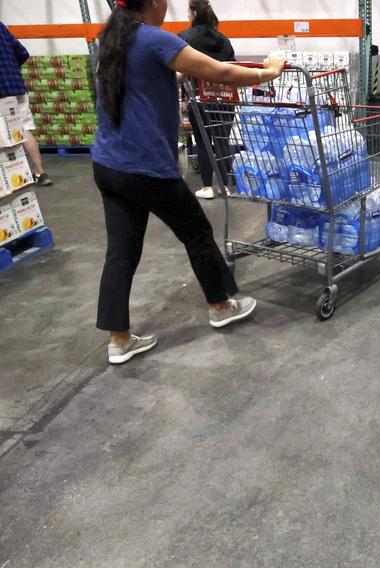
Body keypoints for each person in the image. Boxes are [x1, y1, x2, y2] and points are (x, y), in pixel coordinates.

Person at [92, 0, 284, 364]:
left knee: (121, 250)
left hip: (108, 165)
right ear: (151, 3)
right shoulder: (154, 39)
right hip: (145, 167)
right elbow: (222, 73)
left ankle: (119, 340)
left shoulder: (111, 39)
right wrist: (268, 72)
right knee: (196, 232)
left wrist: (173, 75)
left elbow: (139, 82)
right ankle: (221, 305)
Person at [178, 0, 235, 200]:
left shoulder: (184, 38)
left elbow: (179, 68)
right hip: (225, 99)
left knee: (203, 142)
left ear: (193, 13)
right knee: (222, 141)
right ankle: (226, 186)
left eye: (188, 12)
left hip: (199, 99)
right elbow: (233, 67)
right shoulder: (224, 40)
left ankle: (207, 187)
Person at [0, 22, 52, 186]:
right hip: (16, 86)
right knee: (24, 129)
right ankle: (40, 173)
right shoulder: (1, 27)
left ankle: (10, 178)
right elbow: (22, 53)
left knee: (3, 135)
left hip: (1, 91)